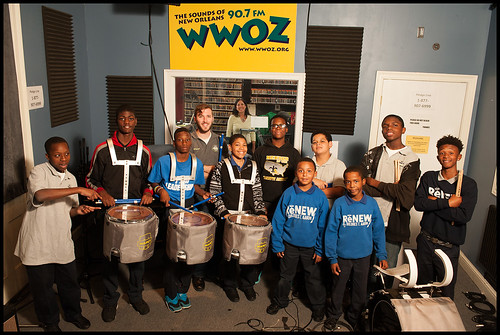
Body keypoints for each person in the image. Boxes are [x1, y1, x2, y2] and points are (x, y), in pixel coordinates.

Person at [14, 136, 101, 332]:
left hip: (61, 238)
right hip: (38, 241)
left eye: (66, 154)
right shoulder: (38, 172)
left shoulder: (70, 178)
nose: (63, 159)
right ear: (47, 156)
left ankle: (73, 314)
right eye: (57, 155)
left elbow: (68, 209)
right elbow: (40, 195)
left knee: (69, 282)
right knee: (43, 289)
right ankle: (50, 322)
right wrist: (78, 189)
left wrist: (78, 211)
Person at [86, 104, 154, 322]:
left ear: (136, 122)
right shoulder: (102, 149)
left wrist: (147, 192)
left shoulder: (144, 150)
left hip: (137, 214)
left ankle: (136, 295)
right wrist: (102, 192)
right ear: (116, 121)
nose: (127, 122)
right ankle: (109, 299)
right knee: (111, 258)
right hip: (110, 214)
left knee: (137, 258)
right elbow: (90, 179)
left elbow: (151, 180)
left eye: (131, 118)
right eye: (122, 118)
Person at [148, 127, 208, 312]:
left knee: (189, 253)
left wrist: (203, 192)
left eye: (187, 140)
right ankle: (171, 293)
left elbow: (195, 186)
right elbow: (153, 182)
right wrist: (161, 191)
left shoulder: (196, 163)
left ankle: (183, 290)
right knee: (172, 254)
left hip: (189, 210)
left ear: (191, 142)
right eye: (180, 140)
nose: (184, 143)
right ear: (174, 143)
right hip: (171, 211)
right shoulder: (164, 161)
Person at [323, 165, 388, 331]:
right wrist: (332, 258)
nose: (352, 185)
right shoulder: (339, 204)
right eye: (348, 182)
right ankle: (333, 315)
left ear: (363, 182)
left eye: (356, 181)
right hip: (342, 256)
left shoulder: (371, 204)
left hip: (363, 257)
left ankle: (354, 316)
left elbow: (378, 231)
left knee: (360, 290)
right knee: (338, 288)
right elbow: (330, 232)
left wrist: (382, 254)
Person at [360, 114, 420, 290]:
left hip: (393, 221)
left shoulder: (411, 158)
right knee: (363, 264)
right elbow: (361, 187)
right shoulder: (372, 154)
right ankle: (362, 305)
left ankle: (379, 306)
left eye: (394, 125)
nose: (389, 128)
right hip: (368, 217)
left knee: (385, 268)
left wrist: (375, 183)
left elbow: (407, 197)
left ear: (403, 130)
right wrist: (393, 189)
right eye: (385, 125)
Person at [266, 158, 330, 322]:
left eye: (309, 171)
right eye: (301, 171)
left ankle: (318, 307)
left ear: (315, 174)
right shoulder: (288, 193)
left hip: (311, 248)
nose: (305, 174)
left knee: (313, 279)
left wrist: (320, 249)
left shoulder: (320, 197)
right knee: (285, 277)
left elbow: (323, 226)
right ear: (296, 173)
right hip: (289, 246)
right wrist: (278, 244)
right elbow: (278, 221)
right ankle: (280, 301)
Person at [414, 135, 477, 300]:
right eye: (442, 153)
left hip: (448, 247)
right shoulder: (429, 177)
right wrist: (448, 203)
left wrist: (433, 202)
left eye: (451, 153)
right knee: (422, 286)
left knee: (446, 292)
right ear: (437, 156)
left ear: (459, 157)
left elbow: (463, 216)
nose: (446, 156)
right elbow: (419, 204)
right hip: (426, 241)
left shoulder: (468, 185)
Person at [209, 134, 267, 302]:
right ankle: (229, 284)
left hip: (249, 218)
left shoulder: (253, 166)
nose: (241, 148)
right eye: (237, 145)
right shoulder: (221, 166)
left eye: (244, 145)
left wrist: (261, 211)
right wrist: (224, 213)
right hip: (229, 217)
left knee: (248, 253)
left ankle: (247, 284)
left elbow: (257, 192)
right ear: (230, 147)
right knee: (230, 254)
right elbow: (214, 193)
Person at [189, 103, 228, 291]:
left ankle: (213, 271)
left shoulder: (220, 141)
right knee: (202, 234)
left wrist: (204, 168)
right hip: (196, 193)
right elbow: (189, 168)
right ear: (195, 118)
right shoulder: (188, 140)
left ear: (213, 119)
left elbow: (224, 168)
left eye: (209, 116)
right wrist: (209, 169)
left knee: (219, 233)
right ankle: (198, 274)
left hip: (217, 193)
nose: (205, 120)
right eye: (201, 116)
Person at [253, 113, 302, 221]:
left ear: (286, 129)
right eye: (274, 126)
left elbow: (299, 178)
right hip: (263, 202)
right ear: (270, 129)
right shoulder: (260, 151)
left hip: (285, 201)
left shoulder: (294, 153)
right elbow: (254, 179)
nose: (278, 128)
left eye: (281, 126)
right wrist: (259, 204)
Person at [310, 130, 346, 208]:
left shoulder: (339, 165)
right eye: (315, 142)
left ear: (330, 144)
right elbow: (295, 185)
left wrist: (308, 190)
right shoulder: (306, 163)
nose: (318, 144)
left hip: (329, 211)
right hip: (307, 210)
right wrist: (312, 180)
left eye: (322, 141)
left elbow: (339, 191)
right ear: (312, 147)